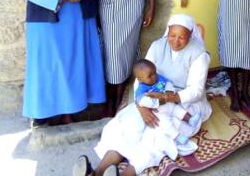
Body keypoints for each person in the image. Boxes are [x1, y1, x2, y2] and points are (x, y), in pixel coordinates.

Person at [74, 14, 212, 176]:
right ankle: (96, 172)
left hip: (183, 102)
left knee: (155, 136)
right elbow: (141, 77)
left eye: (182, 37)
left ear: (190, 35)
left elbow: (195, 91)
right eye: (172, 36)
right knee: (129, 126)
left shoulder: (199, 54)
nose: (176, 41)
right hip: (151, 98)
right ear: (167, 32)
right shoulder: (157, 46)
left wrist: (168, 98)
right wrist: (141, 107)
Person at [123, 59, 201, 146]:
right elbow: (140, 100)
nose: (154, 76)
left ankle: (190, 119)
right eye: (150, 76)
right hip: (157, 111)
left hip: (168, 103)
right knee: (165, 124)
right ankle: (178, 137)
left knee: (178, 110)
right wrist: (155, 102)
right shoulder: (141, 89)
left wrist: (169, 92)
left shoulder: (159, 78)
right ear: (140, 79)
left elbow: (167, 83)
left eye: (155, 72)